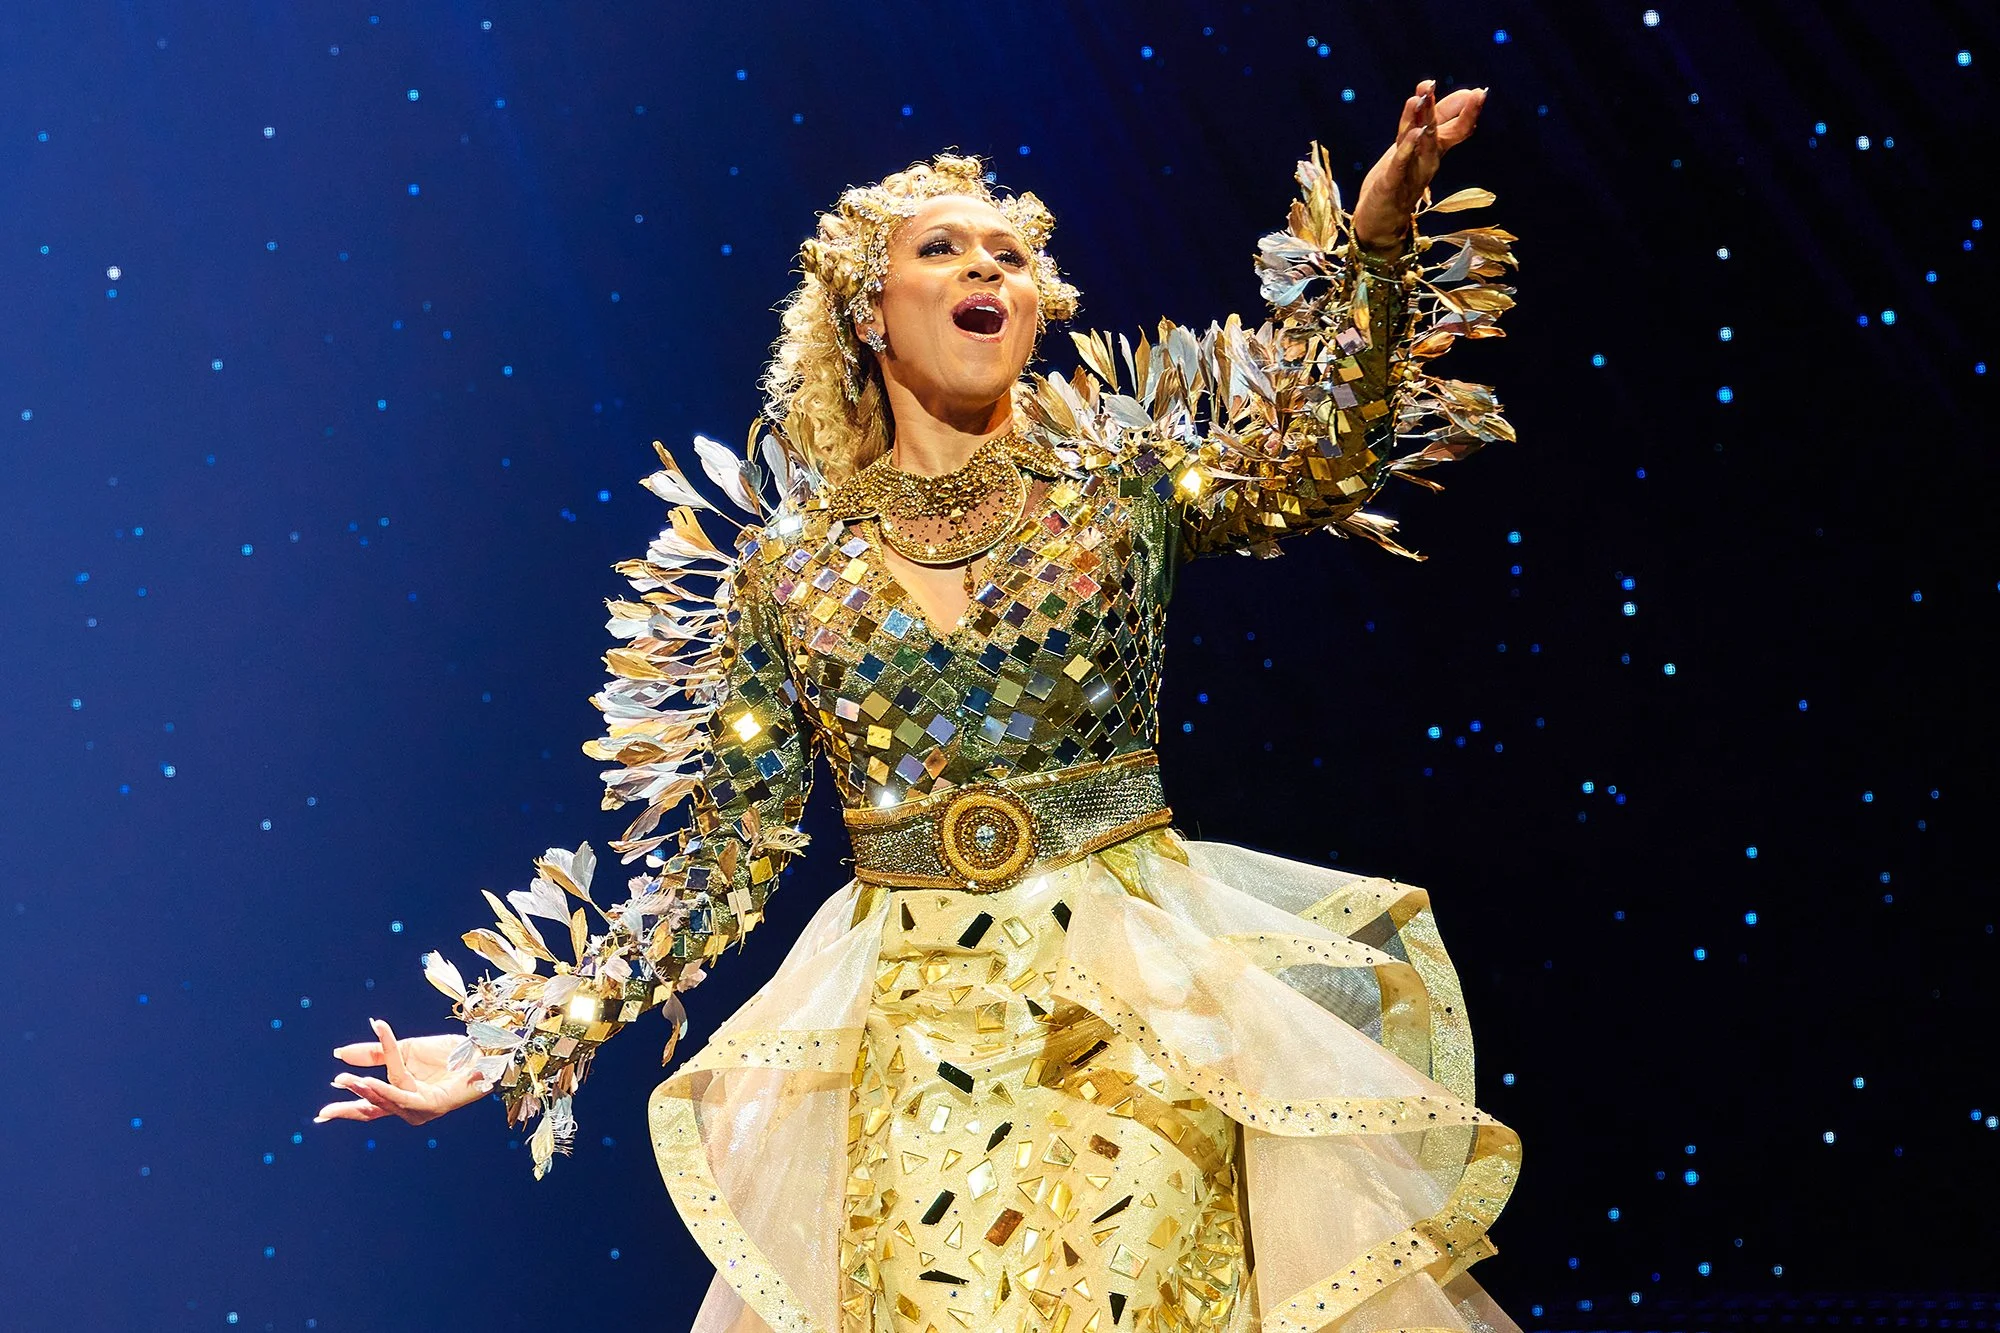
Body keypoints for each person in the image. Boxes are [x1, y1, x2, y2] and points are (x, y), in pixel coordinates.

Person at [320, 79, 1523, 1333]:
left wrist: (1374, 240)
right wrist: (516, 1040)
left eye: (1010, 254)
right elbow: (723, 864)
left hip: (1132, 1007)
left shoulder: (1115, 490)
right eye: (941, 248)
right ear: (867, 311)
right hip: (912, 1046)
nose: (984, 266)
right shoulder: (789, 573)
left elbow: (1316, 465)